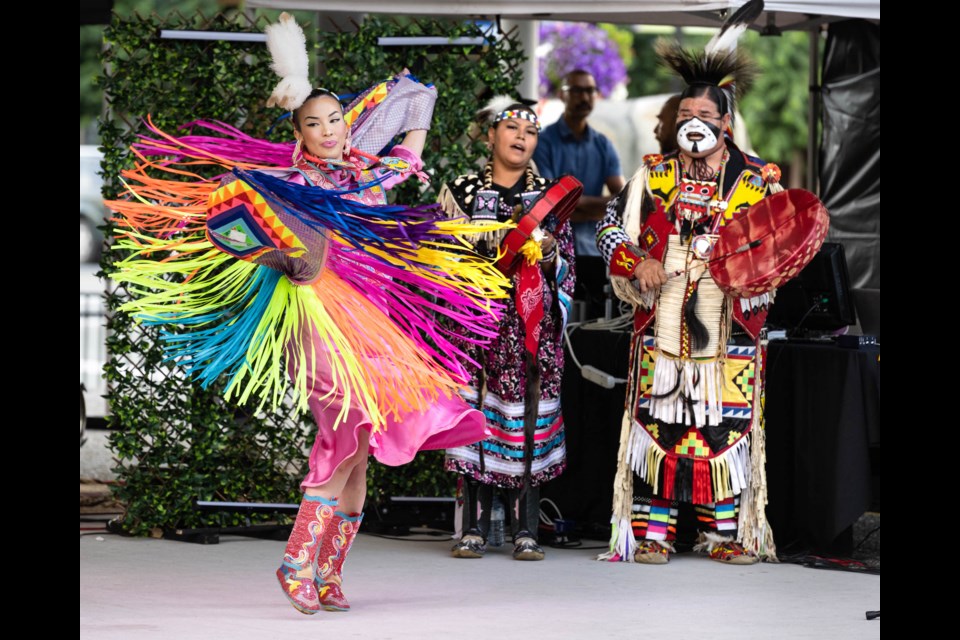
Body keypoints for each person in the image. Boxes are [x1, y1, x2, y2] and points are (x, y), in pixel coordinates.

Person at [108, 13, 509, 614]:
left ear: (349, 124)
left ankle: (328, 571)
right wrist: (279, 252)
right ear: (297, 132)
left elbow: (416, 110)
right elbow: (227, 222)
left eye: (335, 119)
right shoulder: (287, 180)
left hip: (374, 320)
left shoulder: (371, 175)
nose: (327, 130)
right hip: (315, 317)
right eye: (313, 123)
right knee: (343, 432)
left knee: (363, 446)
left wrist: (387, 98)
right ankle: (296, 560)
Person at [595, 35, 784, 565]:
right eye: (684, 111)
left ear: (726, 123)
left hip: (729, 329)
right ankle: (654, 534)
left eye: (704, 113)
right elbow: (609, 232)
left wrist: (745, 271)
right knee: (662, 426)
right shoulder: (652, 175)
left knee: (720, 430)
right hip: (663, 322)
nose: (692, 120)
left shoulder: (755, 181)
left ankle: (720, 536)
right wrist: (640, 262)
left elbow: (780, 252)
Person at [439, 99, 576, 561]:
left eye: (530, 132)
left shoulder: (548, 195)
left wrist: (552, 250)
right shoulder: (460, 191)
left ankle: (526, 528)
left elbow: (568, 261)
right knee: (477, 418)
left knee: (530, 420)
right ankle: (473, 527)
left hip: (529, 327)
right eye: (512, 127)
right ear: (490, 135)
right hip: (477, 324)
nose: (521, 137)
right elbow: (440, 257)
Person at [534, 70, 625, 259]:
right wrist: (597, 208)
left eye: (590, 90)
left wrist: (572, 205)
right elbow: (549, 202)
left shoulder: (603, 145)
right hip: (551, 251)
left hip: (595, 251)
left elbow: (623, 200)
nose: (584, 97)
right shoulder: (542, 142)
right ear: (561, 94)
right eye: (576, 90)